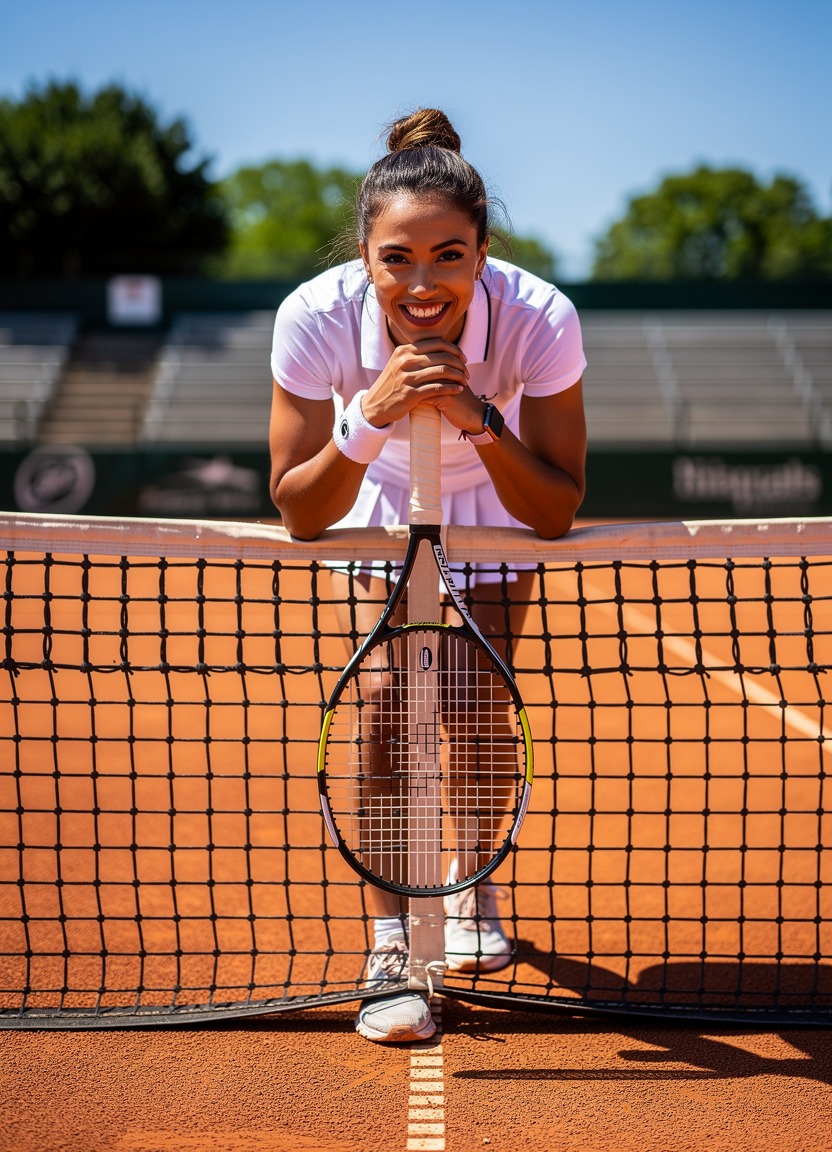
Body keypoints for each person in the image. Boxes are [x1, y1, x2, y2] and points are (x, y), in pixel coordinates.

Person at [269, 107, 587, 1043]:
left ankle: (470, 886)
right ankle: (391, 942)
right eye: (397, 257)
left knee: (478, 703)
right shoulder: (314, 317)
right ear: (364, 257)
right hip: (373, 492)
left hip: (495, 493)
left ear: (483, 251)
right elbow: (297, 507)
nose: (422, 281)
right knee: (384, 705)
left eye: (450, 255)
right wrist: (369, 417)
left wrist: (479, 417)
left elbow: (558, 507)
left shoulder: (540, 317)